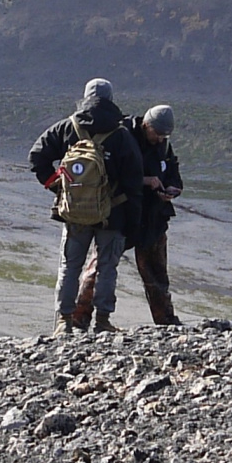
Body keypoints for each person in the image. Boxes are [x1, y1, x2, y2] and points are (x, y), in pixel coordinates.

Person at [28, 77, 143, 335]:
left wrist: (56, 186)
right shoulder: (121, 135)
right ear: (111, 100)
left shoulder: (67, 128)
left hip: (74, 213)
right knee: (106, 268)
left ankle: (63, 322)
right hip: (112, 215)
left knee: (70, 267)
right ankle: (102, 322)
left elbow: (37, 156)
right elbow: (134, 183)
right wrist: (133, 225)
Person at [79, 103, 185, 326]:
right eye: (157, 134)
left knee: (156, 273)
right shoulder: (122, 136)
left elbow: (172, 169)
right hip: (123, 214)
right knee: (100, 267)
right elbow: (110, 173)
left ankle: (165, 321)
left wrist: (173, 188)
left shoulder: (163, 145)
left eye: (165, 135)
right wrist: (146, 181)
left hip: (153, 217)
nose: (159, 139)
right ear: (146, 125)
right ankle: (79, 318)